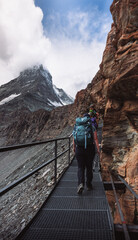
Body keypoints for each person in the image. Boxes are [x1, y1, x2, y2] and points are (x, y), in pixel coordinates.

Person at [73, 110, 100, 194]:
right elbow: (95, 138)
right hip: (89, 148)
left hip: (79, 149)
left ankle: (80, 183)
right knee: (89, 167)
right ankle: (88, 185)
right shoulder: (91, 126)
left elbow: (74, 138)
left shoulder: (77, 125)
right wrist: (98, 149)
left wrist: (74, 148)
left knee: (80, 167)